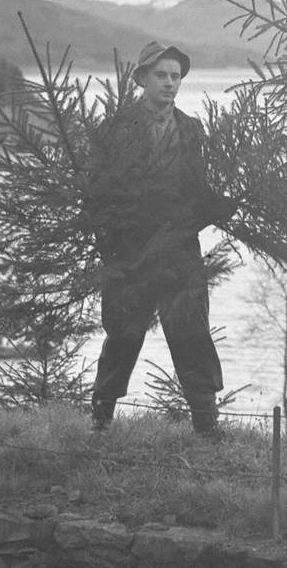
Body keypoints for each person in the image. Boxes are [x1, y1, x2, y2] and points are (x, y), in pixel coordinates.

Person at [87, 41, 236, 437]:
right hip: (129, 252)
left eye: (175, 76)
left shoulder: (190, 129)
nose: (170, 83)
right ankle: (100, 421)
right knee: (123, 334)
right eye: (161, 75)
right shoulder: (116, 129)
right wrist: (113, 249)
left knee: (191, 332)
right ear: (141, 79)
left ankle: (206, 424)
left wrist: (220, 206)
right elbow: (98, 196)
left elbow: (198, 191)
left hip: (180, 250)